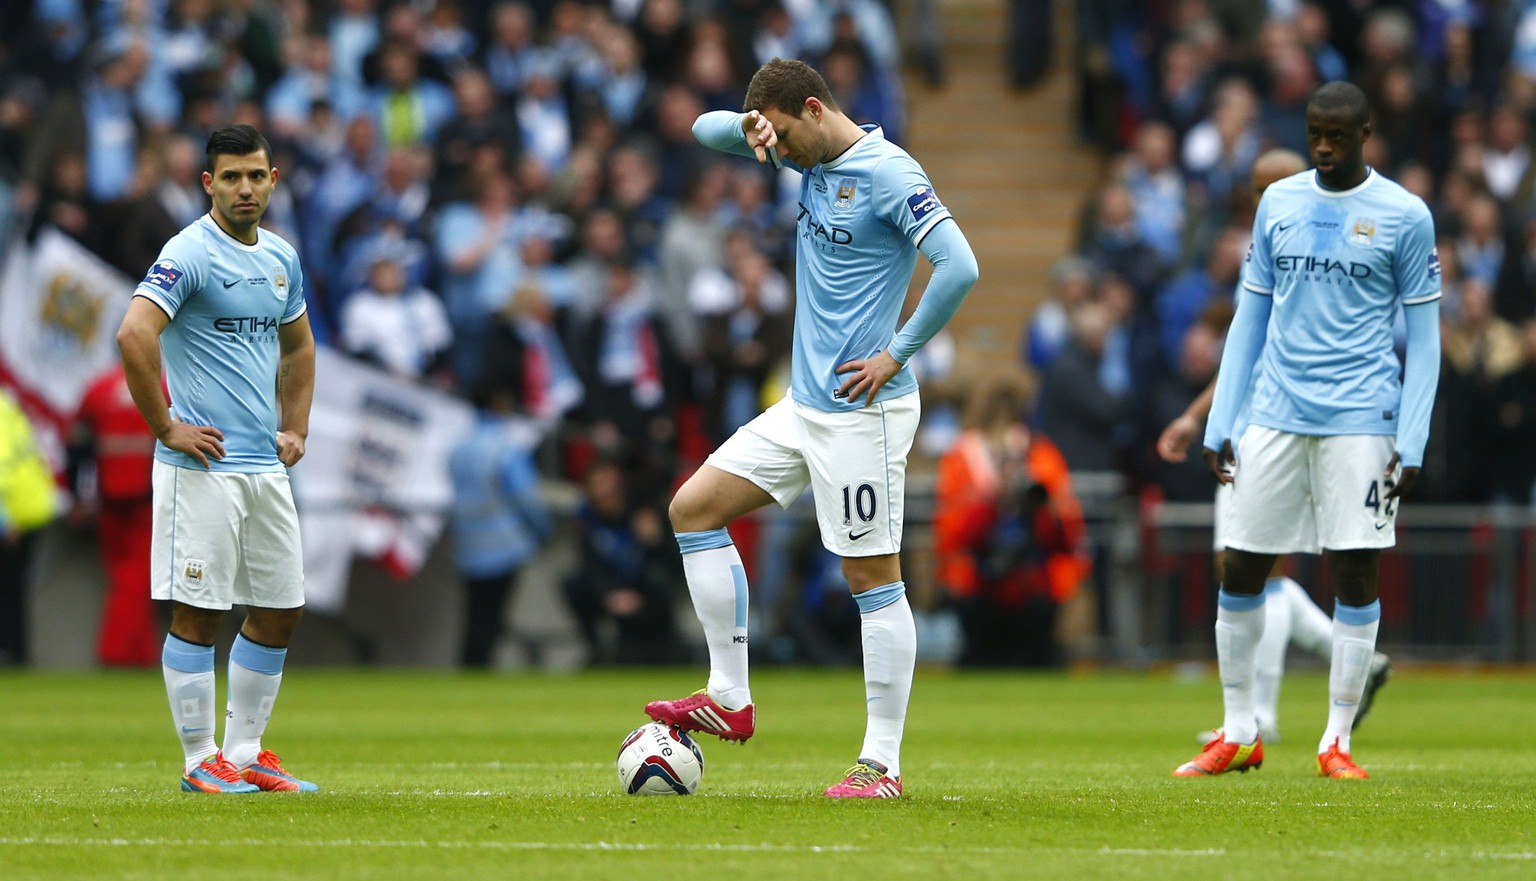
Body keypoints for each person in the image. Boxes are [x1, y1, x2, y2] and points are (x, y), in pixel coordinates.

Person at [642, 58, 979, 799]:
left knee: (871, 578)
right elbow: (702, 130)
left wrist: (896, 353)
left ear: (817, 109)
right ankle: (729, 696)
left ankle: (881, 766)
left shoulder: (890, 173)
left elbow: (959, 266)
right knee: (693, 508)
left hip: (866, 409)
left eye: (787, 137)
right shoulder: (801, 149)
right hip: (805, 404)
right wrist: (749, 126)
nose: (780, 156)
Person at [1173, 83, 1441, 780]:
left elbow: (1427, 338)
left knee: (1353, 569)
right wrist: (1223, 418)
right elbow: (1249, 318)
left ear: (1365, 135)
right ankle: (1240, 731)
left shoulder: (1404, 216)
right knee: (1241, 565)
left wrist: (1412, 440)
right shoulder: (1279, 203)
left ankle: (1336, 741)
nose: (1324, 147)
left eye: (1337, 137)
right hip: (1276, 412)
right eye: (1315, 134)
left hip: (1362, 416)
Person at [1157, 148, 1392, 745]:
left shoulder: (1319, 247)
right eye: (1255, 190)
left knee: (1254, 567)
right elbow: (1244, 343)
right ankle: (1271, 707)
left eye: (1272, 186)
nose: (1262, 199)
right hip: (1253, 421)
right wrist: (1197, 416)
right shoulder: (1267, 247)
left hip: (1284, 425)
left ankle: (1261, 715)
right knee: (1249, 567)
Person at [116, 124, 319, 794]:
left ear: (273, 180)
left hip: (263, 464)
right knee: (199, 610)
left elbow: (299, 349)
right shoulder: (188, 253)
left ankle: (248, 749)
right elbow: (134, 332)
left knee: (281, 604)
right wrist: (166, 425)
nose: (244, 188)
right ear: (208, 183)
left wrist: (297, 429)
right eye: (230, 176)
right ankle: (199, 757)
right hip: (200, 467)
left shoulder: (281, 259)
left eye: (255, 176)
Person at [447, 387, 551, 669]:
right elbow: (525, 496)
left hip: (466, 543)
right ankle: (479, 667)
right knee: (491, 615)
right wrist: (543, 530)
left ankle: (470, 665)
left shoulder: (459, 447)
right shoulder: (506, 447)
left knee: (474, 613)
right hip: (503, 545)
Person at [72, 362, 160, 667]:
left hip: (108, 498)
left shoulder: (97, 388)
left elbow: (77, 445)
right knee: (135, 582)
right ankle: (115, 655)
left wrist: (76, 495)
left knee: (126, 579)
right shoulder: (161, 387)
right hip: (146, 498)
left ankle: (141, 655)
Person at [0, 388, 60, 667]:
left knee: (8, 588)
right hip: (30, 508)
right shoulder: (8, 403)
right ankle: (14, 651)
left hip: (14, 513)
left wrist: (5, 519)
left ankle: (10, 652)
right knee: (14, 587)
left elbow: (3, 469)